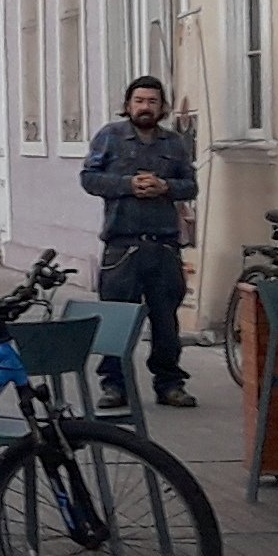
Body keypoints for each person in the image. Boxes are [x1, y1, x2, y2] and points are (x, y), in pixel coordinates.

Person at [80, 75, 199, 409]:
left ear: (162, 107)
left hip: (163, 246)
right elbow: (89, 179)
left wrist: (165, 187)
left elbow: (190, 185)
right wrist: (128, 185)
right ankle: (114, 385)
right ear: (128, 105)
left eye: (152, 102)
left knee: (165, 321)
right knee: (116, 318)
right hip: (122, 245)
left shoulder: (173, 143)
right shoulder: (110, 137)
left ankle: (170, 383)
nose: (145, 107)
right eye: (139, 101)